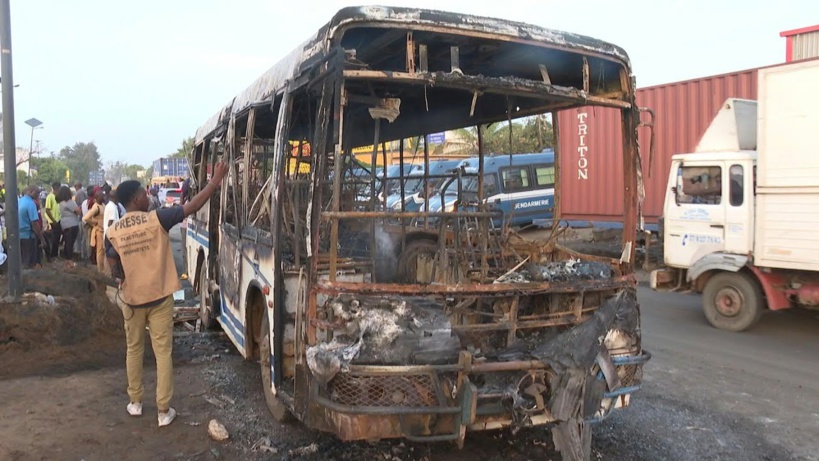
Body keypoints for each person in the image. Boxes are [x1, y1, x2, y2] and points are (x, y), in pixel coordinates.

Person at [105, 161, 227, 427]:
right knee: (163, 354)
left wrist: (121, 278)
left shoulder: (113, 231)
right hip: (160, 298)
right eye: (144, 193)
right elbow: (192, 206)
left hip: (132, 300)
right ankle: (163, 411)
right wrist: (215, 180)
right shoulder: (157, 218)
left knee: (134, 350)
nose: (148, 197)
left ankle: (135, 402)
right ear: (136, 198)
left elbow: (112, 261)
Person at [19, 186, 45, 268]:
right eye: (37, 193)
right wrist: (42, 239)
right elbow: (34, 224)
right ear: (31, 191)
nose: (38, 195)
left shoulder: (20, 201)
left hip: (19, 235)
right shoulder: (31, 204)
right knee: (29, 261)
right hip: (28, 236)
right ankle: (27, 278)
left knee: (23, 258)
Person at [83, 189, 106, 273]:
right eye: (101, 196)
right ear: (97, 198)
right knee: (99, 252)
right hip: (99, 231)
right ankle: (100, 270)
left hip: (103, 231)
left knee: (103, 251)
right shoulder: (96, 207)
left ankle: (103, 268)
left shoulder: (102, 205)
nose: (103, 197)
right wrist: (95, 223)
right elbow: (85, 218)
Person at [58, 186, 81, 260]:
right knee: (70, 243)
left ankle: (66, 258)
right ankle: (69, 259)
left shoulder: (61, 203)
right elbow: (78, 212)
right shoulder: (69, 202)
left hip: (64, 224)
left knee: (67, 242)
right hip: (72, 224)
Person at [44, 182, 62, 258]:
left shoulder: (58, 197)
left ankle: (55, 254)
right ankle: (52, 255)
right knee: (53, 240)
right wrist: (53, 221)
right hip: (53, 222)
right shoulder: (50, 197)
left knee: (57, 239)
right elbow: (47, 210)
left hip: (59, 220)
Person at [73, 182, 88, 259]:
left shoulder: (80, 193)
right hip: (81, 216)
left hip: (81, 217)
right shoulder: (82, 192)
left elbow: (82, 205)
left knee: (80, 236)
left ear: (76, 186)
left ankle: (80, 253)